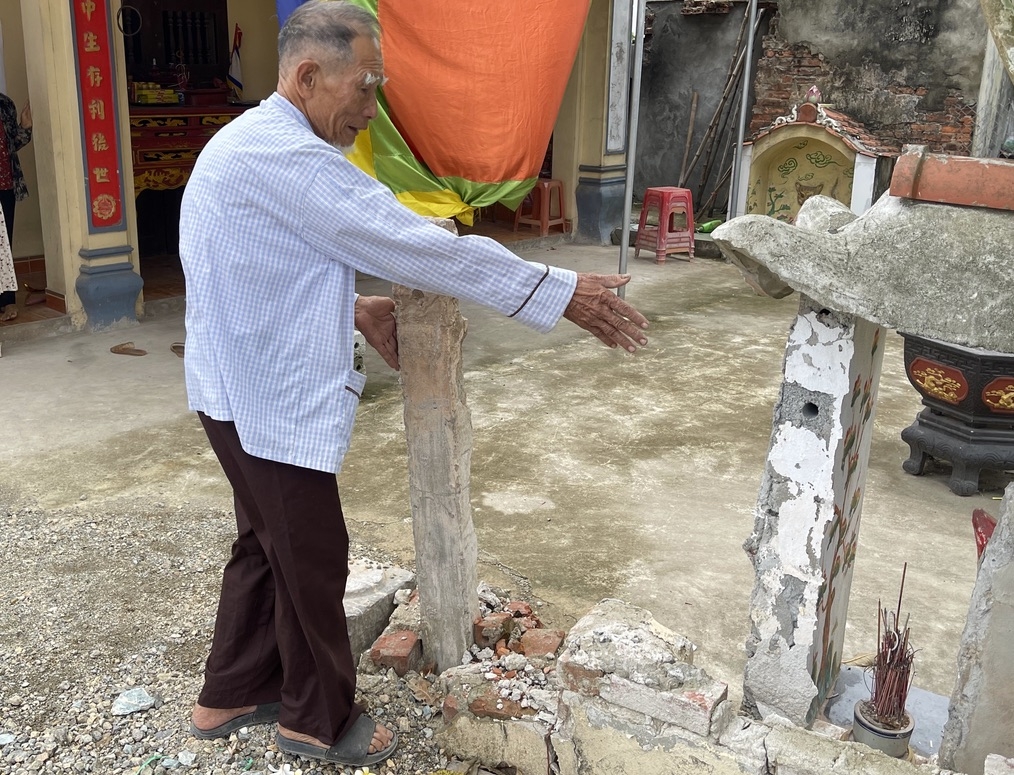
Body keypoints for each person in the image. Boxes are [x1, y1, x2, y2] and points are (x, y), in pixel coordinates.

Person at [179, 0, 649, 767]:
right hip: (259, 394)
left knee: (265, 546)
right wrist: (560, 292)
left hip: (230, 386)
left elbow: (252, 263)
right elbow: (414, 245)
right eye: (364, 89)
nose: (370, 112)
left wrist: (354, 305)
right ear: (306, 76)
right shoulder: (288, 159)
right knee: (310, 555)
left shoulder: (253, 142)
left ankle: (230, 690)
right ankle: (313, 721)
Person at [0, 92, 31, 321]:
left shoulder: (4, 103)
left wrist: (25, 126)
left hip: (5, 183)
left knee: (4, 244)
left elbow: (12, 143)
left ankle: (7, 300)